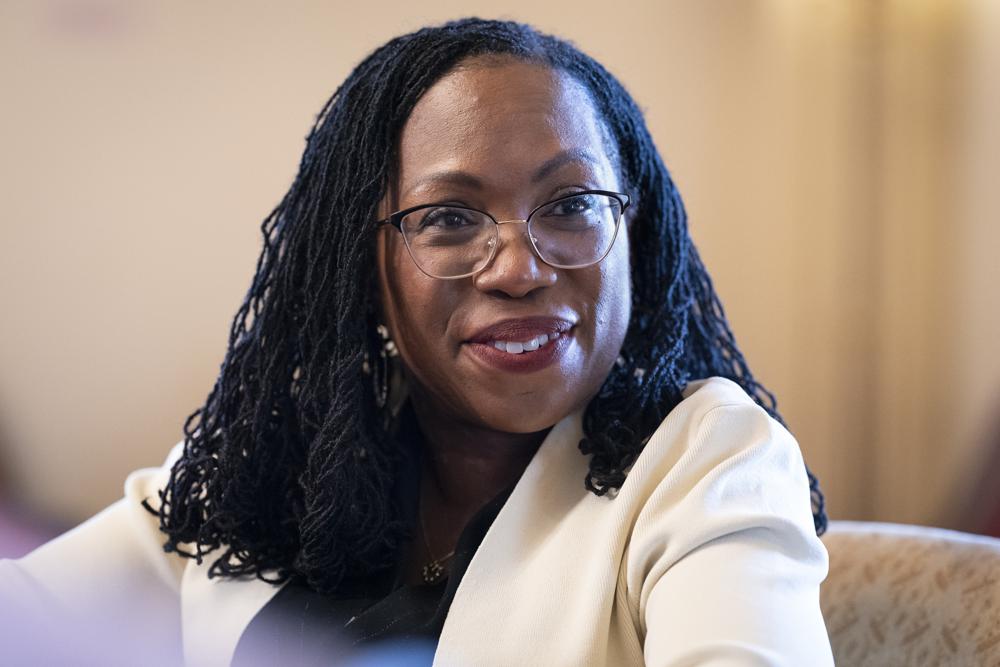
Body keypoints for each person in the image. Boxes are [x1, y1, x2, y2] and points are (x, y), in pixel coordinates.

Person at [0, 18, 834, 666]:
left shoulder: (708, 461)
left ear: (634, 230)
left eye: (572, 204)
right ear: (366, 266)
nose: (519, 267)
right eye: (449, 218)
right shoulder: (267, 462)